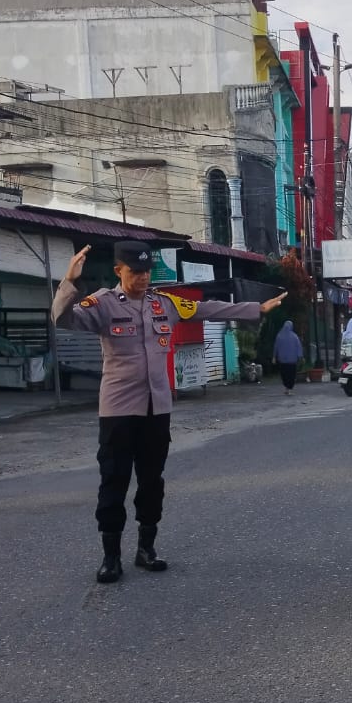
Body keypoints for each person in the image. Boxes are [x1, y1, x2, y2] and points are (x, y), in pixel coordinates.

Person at [53, 241, 285, 583]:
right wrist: (69, 282)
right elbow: (63, 318)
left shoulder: (166, 303)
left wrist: (255, 309)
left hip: (156, 409)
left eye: (147, 271)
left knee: (151, 481)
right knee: (113, 481)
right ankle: (111, 556)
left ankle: (146, 548)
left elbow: (207, 309)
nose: (143, 278)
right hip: (118, 411)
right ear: (119, 271)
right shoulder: (102, 304)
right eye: (135, 272)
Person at [272, 320, 303, 395]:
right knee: (291, 375)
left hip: (282, 360)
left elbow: (276, 347)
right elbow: (298, 347)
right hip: (292, 360)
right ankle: (289, 389)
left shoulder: (279, 335)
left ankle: (286, 387)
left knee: (284, 374)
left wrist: (274, 357)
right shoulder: (294, 336)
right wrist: (300, 356)